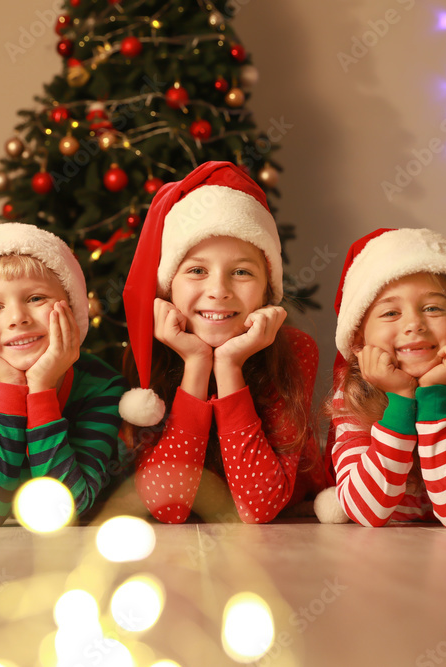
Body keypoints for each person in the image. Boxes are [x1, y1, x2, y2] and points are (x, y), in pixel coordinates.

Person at [120, 161, 325, 524]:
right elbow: (168, 508)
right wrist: (197, 365)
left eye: (242, 272)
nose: (218, 291)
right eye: (197, 270)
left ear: (267, 291)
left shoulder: (296, 351)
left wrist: (229, 366)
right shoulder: (148, 354)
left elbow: (257, 507)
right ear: (169, 287)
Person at [315, 228, 446, 528]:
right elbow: (367, 513)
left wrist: (434, 397)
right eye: (390, 313)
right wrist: (400, 401)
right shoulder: (352, 396)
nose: (414, 324)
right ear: (359, 338)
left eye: (432, 308)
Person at [0, 223, 127, 526]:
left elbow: (68, 508)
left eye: (35, 298)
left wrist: (40, 389)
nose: (17, 318)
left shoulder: (102, 385)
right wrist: (12, 389)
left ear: (73, 306)